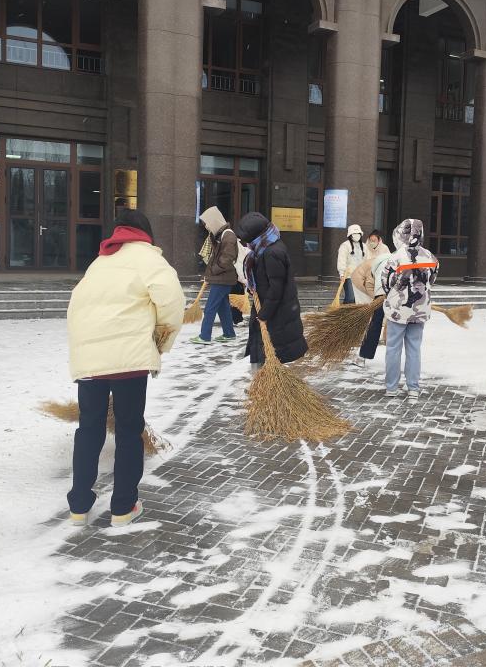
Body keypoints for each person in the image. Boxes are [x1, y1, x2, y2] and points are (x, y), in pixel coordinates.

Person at [65, 210, 185, 528]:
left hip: (90, 360)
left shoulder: (99, 263)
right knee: (129, 431)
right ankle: (123, 507)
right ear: (145, 233)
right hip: (129, 360)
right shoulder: (150, 259)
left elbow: (75, 306)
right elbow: (172, 303)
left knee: (88, 429)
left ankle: (78, 506)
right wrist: (161, 341)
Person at [234, 212, 307, 370]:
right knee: (261, 353)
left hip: (276, 314)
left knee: (269, 355)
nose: (246, 243)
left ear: (255, 236)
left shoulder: (271, 253)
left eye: (247, 240)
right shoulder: (265, 248)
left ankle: (264, 381)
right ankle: (261, 380)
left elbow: (276, 289)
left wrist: (264, 315)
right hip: (269, 309)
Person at [380, 219, 438, 402]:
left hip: (398, 310)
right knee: (414, 349)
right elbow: (432, 279)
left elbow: (385, 282)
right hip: (420, 310)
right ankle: (413, 387)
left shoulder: (396, 257)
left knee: (393, 348)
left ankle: (391, 387)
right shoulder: (430, 257)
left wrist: (394, 294)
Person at [191, 206, 239, 345]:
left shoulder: (228, 236)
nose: (206, 226)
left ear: (214, 221)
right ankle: (229, 334)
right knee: (223, 308)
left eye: (207, 223)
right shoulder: (220, 235)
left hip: (223, 278)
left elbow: (226, 259)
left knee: (210, 308)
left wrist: (214, 271)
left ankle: (205, 336)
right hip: (223, 278)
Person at [350, 237, 393, 367]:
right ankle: (364, 356)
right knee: (376, 323)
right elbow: (369, 286)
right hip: (379, 292)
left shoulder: (379, 264)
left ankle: (365, 356)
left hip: (388, 293)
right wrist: (377, 299)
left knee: (379, 324)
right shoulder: (372, 269)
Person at [337, 224, 367, 304]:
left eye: (358, 233)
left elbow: (366, 261)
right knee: (351, 297)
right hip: (348, 276)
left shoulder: (364, 246)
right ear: (350, 235)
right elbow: (341, 260)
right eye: (354, 234)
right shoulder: (345, 246)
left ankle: (349, 311)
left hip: (361, 277)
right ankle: (344, 310)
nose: (356, 235)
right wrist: (341, 274)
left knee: (358, 299)